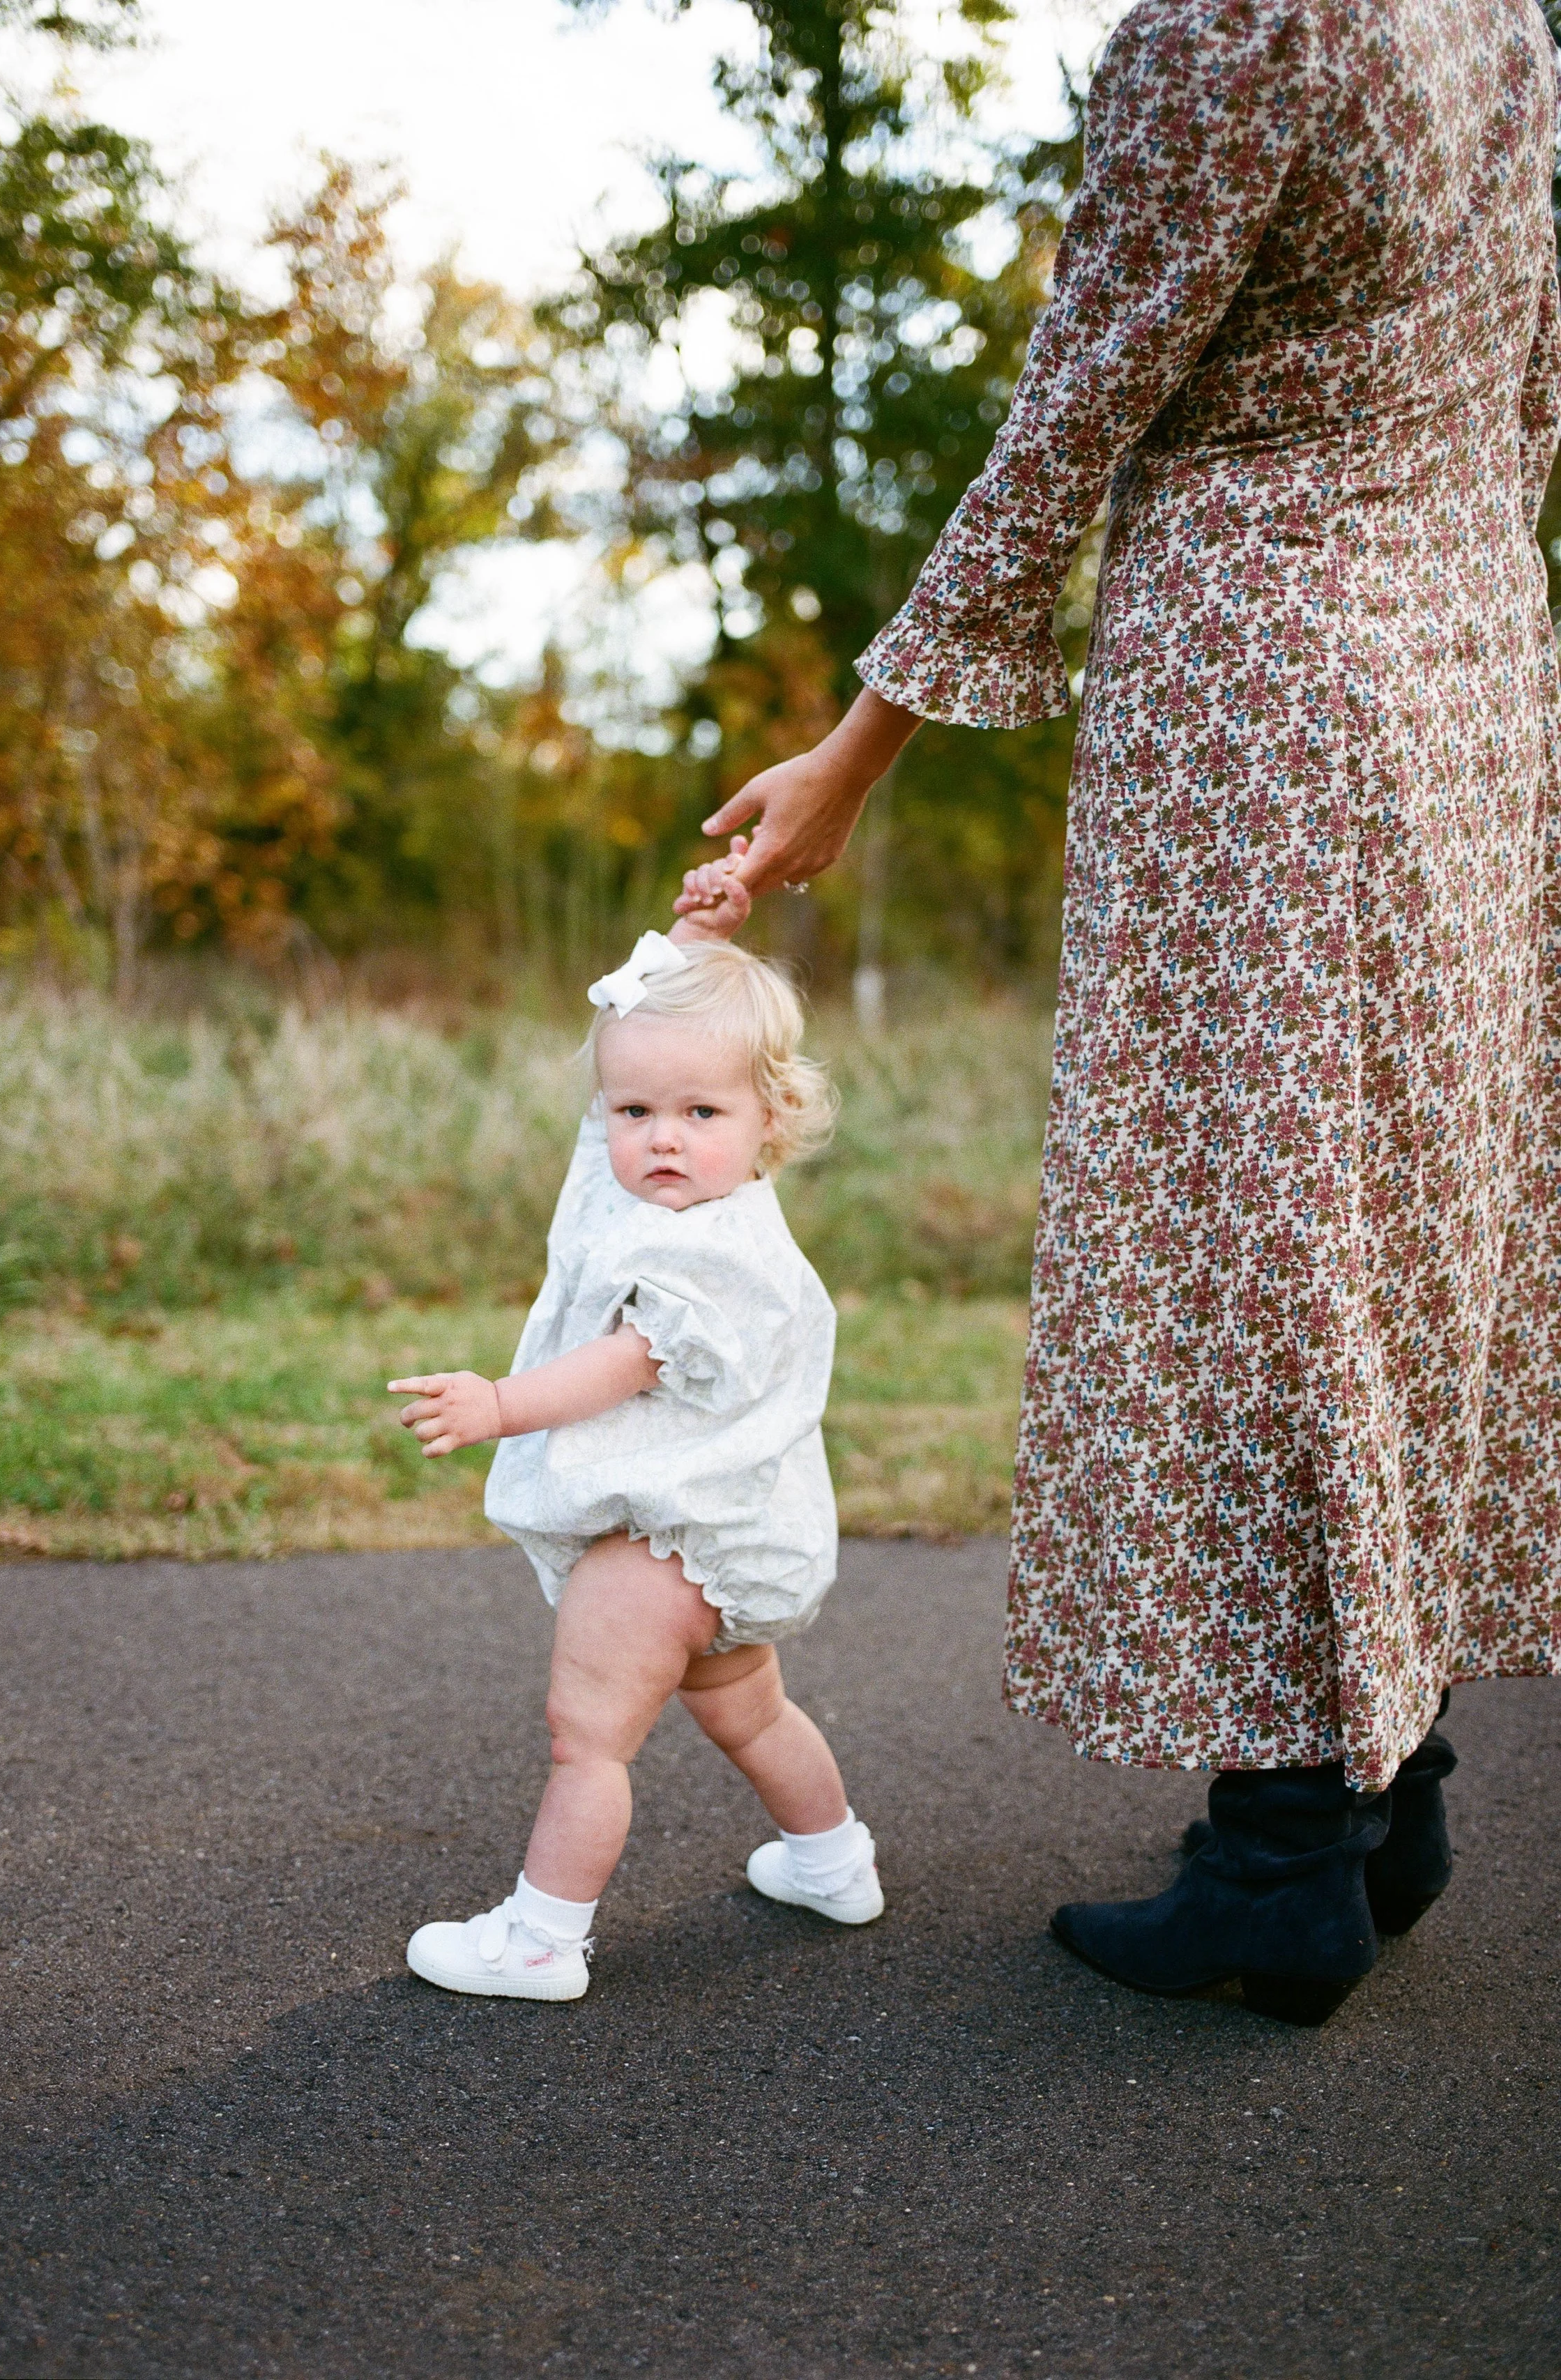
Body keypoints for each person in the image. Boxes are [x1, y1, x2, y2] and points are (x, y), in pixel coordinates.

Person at [678, 0, 1561, 2023]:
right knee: (1400, 1221)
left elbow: (1081, 391)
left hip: (1270, 667)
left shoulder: (1236, 11)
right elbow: (1526, 376)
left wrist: (852, 748)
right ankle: (1377, 1780)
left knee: (1249, 1232)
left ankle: (1277, 1853)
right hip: (1468, 650)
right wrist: (1481, 611)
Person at [391, 858, 882, 2001]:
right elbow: (635, 1058)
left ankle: (542, 1941)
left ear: (773, 1121)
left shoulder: (713, 1251)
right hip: (726, 1532)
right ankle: (834, 1862)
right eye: (635, 1112)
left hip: (663, 1542)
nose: (663, 1136)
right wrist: (688, 941)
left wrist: (501, 1404)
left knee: (589, 1738)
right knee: (748, 1706)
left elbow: (626, 1362)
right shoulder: (651, 1186)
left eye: (700, 1112)